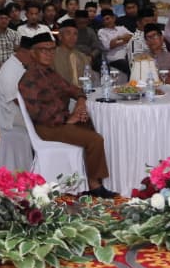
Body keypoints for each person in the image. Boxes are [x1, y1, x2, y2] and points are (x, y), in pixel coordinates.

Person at [18, 32, 116, 198]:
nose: (49, 54)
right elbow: (38, 114)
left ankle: (91, 175)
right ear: (33, 53)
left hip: (60, 121)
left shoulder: (49, 73)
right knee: (95, 139)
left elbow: (73, 89)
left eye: (52, 50)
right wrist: (67, 120)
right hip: (48, 127)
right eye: (44, 50)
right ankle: (94, 184)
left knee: (95, 124)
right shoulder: (29, 79)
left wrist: (80, 101)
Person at [0, 37, 32, 129]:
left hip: (23, 110)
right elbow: (17, 101)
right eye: (33, 55)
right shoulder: (9, 70)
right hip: (15, 115)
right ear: (23, 52)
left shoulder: (19, 65)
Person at [52, 20, 91, 86]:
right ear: (60, 36)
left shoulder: (82, 57)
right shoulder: (52, 56)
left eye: (75, 34)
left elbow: (89, 78)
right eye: (68, 33)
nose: (72, 37)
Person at [97, 9, 133, 78]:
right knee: (129, 66)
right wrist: (124, 40)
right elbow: (109, 46)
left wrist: (118, 39)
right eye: (104, 20)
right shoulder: (102, 32)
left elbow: (132, 37)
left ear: (113, 18)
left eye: (108, 19)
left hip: (127, 55)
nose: (106, 21)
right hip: (114, 59)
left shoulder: (121, 28)